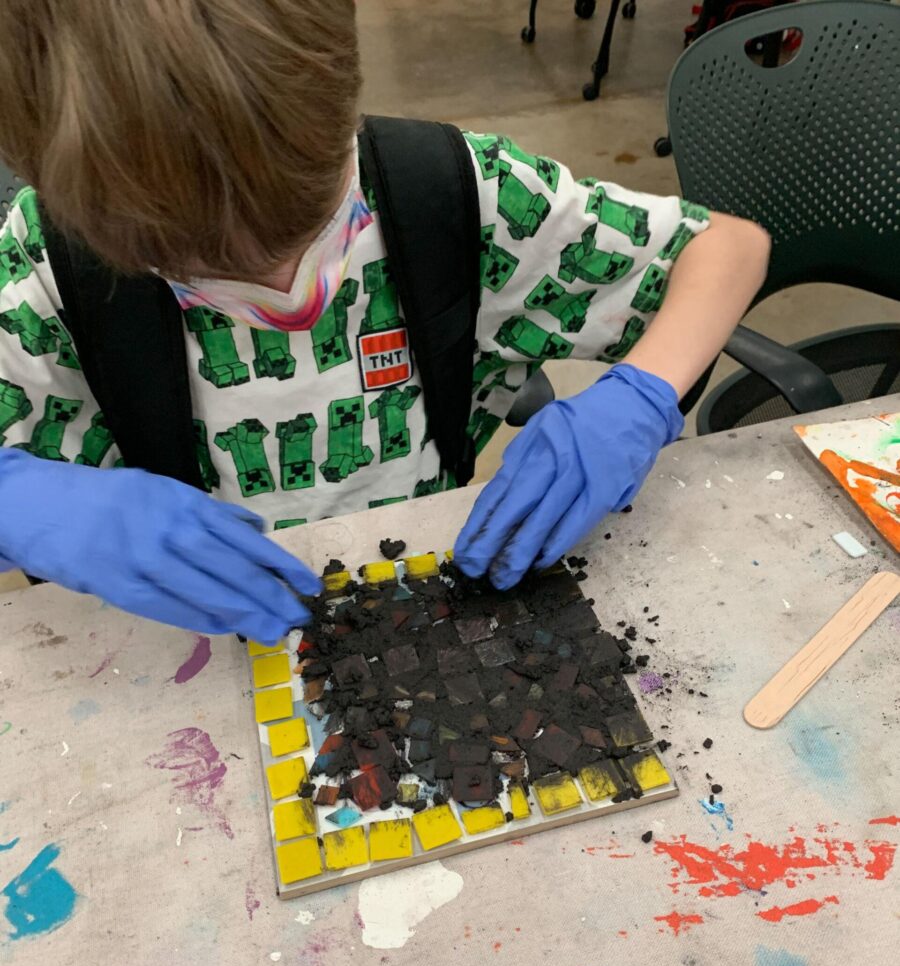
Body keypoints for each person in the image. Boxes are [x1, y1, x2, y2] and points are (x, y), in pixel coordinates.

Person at [0, 0, 769, 646]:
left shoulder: (453, 191)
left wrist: (642, 392)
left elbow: (731, 248)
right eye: (201, 264)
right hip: (170, 655)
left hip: (423, 593)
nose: (284, 290)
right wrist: (17, 500)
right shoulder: (41, 267)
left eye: (312, 223)